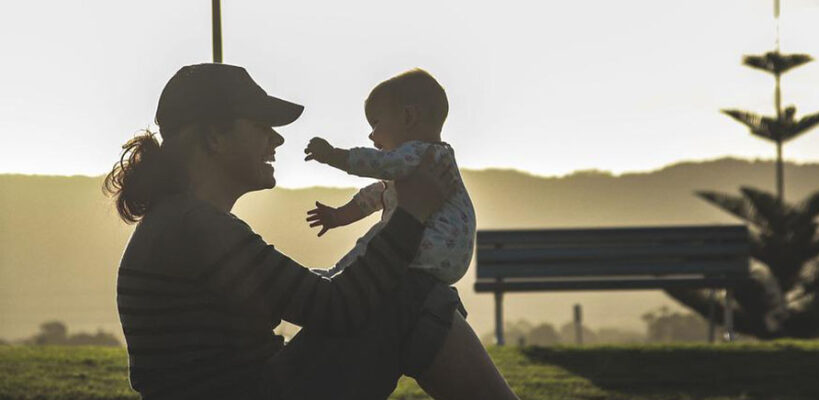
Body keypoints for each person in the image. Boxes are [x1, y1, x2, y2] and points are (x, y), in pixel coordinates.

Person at [105, 63, 518, 400]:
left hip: (257, 387)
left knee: (410, 292)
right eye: (262, 125)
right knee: (411, 294)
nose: (277, 138)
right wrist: (412, 213)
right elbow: (336, 306)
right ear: (214, 136)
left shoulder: (178, 222)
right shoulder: (193, 227)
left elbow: (315, 299)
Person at [303, 68, 475, 288]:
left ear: (408, 117)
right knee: (385, 237)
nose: (371, 135)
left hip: (431, 244)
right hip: (450, 258)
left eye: (375, 123)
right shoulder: (433, 160)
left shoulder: (422, 153)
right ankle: (338, 275)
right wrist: (338, 216)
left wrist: (333, 155)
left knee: (378, 239)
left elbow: (378, 163)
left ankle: (337, 276)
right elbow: (378, 194)